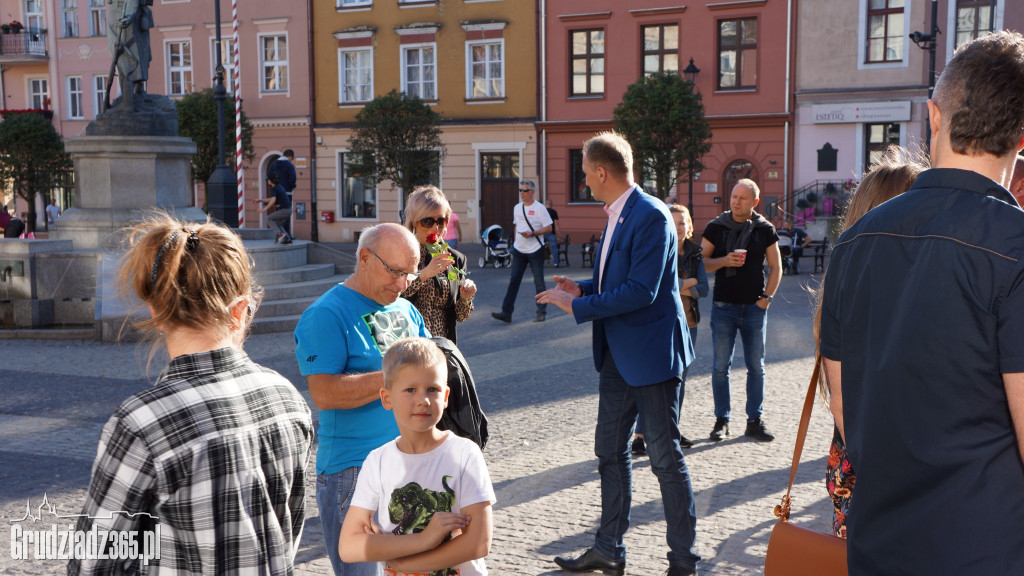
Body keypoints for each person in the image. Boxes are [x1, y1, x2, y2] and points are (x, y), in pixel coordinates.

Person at [820, 31, 1024, 575]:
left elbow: (845, 411)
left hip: (878, 547)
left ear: (934, 117)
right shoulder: (1016, 250)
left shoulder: (854, 242)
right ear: (1021, 138)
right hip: (986, 550)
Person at [68, 213, 313, 574]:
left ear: (155, 310)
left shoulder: (143, 422)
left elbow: (93, 562)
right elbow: (287, 530)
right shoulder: (287, 399)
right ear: (243, 310)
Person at [538, 132, 699, 576]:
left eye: (586, 172)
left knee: (665, 461)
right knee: (608, 450)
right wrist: (583, 287)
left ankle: (684, 562)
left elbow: (643, 291)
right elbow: (618, 280)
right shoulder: (617, 213)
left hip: (650, 357)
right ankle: (608, 548)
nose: (585, 180)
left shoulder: (650, 215)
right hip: (617, 356)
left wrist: (579, 305)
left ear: (603, 172)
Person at [294, 222, 431, 576]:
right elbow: (324, 393)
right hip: (355, 473)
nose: (402, 285)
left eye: (410, 276)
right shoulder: (326, 314)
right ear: (365, 258)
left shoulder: (404, 309)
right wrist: (398, 376)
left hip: (411, 465)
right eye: (396, 272)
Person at [813, 147, 928, 538]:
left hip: (861, 465)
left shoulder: (843, 280)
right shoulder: (897, 286)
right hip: (885, 473)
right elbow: (843, 403)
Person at [339, 337, 495, 576]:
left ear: (445, 397)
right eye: (410, 390)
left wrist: (400, 561)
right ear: (387, 398)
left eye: (432, 389)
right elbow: (349, 547)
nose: (423, 400)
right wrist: (424, 540)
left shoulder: (464, 453)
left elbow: (478, 543)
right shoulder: (378, 461)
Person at [701, 179, 782, 442]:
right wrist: (724, 260)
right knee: (720, 367)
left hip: (754, 308)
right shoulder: (716, 227)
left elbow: (776, 267)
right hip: (723, 306)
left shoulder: (764, 229)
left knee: (756, 367)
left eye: (742, 198)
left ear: (755, 202)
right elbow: (700, 264)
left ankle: (754, 420)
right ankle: (721, 420)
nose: (736, 202)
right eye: (734, 197)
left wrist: (767, 298)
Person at [632, 204, 707, 456]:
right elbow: (660, 288)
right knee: (653, 378)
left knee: (679, 380)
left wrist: (678, 285)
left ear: (690, 226)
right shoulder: (658, 249)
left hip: (689, 324)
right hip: (661, 324)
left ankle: (672, 430)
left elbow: (704, 288)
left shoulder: (695, 253)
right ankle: (640, 435)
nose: (678, 228)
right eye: (673, 223)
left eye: (682, 222)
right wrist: (689, 283)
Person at [402, 185, 477, 344]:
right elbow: (392, 293)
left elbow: (460, 316)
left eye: (441, 221)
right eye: (428, 221)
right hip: (407, 344)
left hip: (440, 347)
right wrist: (423, 275)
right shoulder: (401, 254)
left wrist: (466, 298)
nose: (436, 228)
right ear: (414, 222)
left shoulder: (456, 259)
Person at [491, 179, 552, 323]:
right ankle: (506, 313)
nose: (522, 193)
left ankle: (541, 312)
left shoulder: (540, 208)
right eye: (520, 190)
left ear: (532, 192)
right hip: (519, 250)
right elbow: (516, 226)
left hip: (535, 249)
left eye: (525, 190)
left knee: (539, 282)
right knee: (514, 281)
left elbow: (549, 228)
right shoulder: (517, 207)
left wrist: (533, 233)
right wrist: (515, 244)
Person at [106, 0, 153, 110]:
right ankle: (131, 99)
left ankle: (129, 103)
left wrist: (128, 16)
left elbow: (132, 2)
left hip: (126, 22)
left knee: (128, 64)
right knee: (125, 63)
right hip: (119, 21)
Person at [252, 173, 293, 244]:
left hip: (284, 210)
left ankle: (280, 234)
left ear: (270, 181)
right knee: (278, 224)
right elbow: (272, 199)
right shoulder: (279, 187)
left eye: (268, 180)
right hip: (289, 210)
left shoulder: (274, 189)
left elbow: (273, 200)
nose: (267, 181)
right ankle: (287, 239)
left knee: (269, 218)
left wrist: (263, 210)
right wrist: (261, 200)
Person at [269, 149, 298, 236]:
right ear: (290, 157)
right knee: (286, 214)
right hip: (287, 192)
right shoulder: (289, 165)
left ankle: (279, 234)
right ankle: (286, 234)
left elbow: (269, 176)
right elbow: (292, 177)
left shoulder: (274, 164)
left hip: (277, 193)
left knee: (278, 214)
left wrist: (274, 187)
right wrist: (292, 186)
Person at [544, 199, 561, 267]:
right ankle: (556, 263)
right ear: (551, 205)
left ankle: (539, 262)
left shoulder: (542, 212)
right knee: (554, 248)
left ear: (545, 205)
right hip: (551, 233)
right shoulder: (554, 212)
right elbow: (556, 224)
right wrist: (558, 234)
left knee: (539, 247)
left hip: (542, 232)